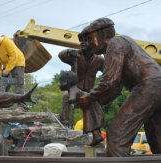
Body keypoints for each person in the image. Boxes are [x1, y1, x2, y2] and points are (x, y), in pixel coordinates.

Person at [76, 18, 161, 157]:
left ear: (102, 34)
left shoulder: (116, 42)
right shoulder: (117, 46)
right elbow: (115, 88)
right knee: (157, 138)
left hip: (149, 86)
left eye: (90, 39)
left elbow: (110, 80)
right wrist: (94, 101)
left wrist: (90, 97)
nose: (89, 44)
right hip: (154, 87)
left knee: (117, 134)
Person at [58, 35, 105, 146]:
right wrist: (69, 51)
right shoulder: (76, 55)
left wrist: (102, 89)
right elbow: (61, 55)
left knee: (92, 105)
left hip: (89, 90)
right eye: (81, 41)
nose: (82, 43)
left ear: (93, 42)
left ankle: (96, 133)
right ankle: (64, 125)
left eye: (86, 40)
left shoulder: (99, 59)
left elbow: (107, 74)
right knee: (66, 96)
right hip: (74, 88)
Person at [59, 71, 104, 146]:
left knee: (91, 123)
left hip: (91, 106)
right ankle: (97, 137)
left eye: (61, 82)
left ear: (67, 82)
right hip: (91, 106)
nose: (60, 85)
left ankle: (97, 137)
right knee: (92, 123)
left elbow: (71, 99)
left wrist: (65, 119)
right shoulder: (72, 90)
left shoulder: (71, 90)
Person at [0, 35, 26, 108]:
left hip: (17, 63)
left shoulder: (6, 42)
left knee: (18, 84)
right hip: (7, 65)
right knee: (3, 85)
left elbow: (14, 56)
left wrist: (7, 70)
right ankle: (1, 106)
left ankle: (21, 106)